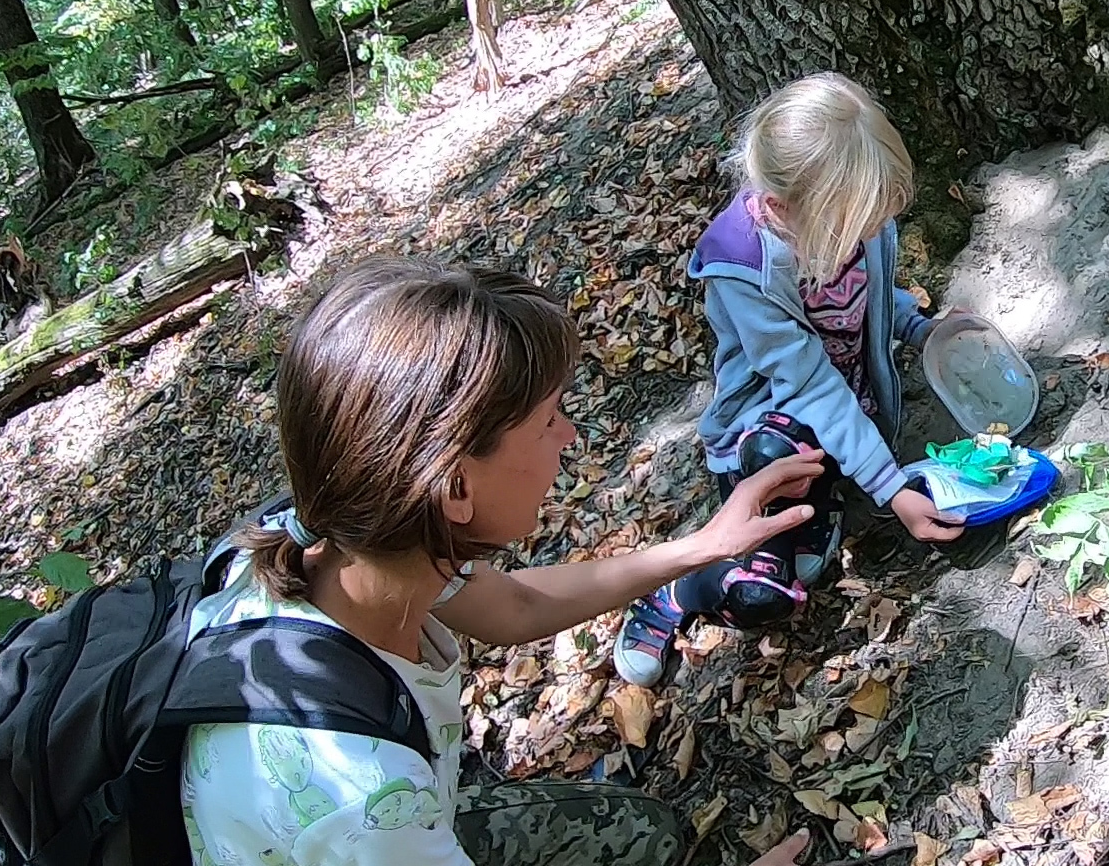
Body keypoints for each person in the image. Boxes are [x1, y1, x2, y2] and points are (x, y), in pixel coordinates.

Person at [180, 258, 815, 866]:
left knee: (645, 831)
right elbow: (375, 819)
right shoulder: (366, 801)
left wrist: (704, 545)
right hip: (379, 826)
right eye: (546, 422)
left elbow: (514, 606)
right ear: (455, 489)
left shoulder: (343, 540)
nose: (569, 435)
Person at [614, 72, 970, 687]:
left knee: (809, 568)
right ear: (782, 209)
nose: (868, 236)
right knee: (763, 595)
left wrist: (920, 328)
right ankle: (678, 591)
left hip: (841, 417)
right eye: (854, 228)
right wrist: (891, 488)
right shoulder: (744, 266)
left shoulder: (853, 215)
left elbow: (872, 297)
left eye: (873, 223)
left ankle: (820, 505)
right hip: (775, 432)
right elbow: (806, 384)